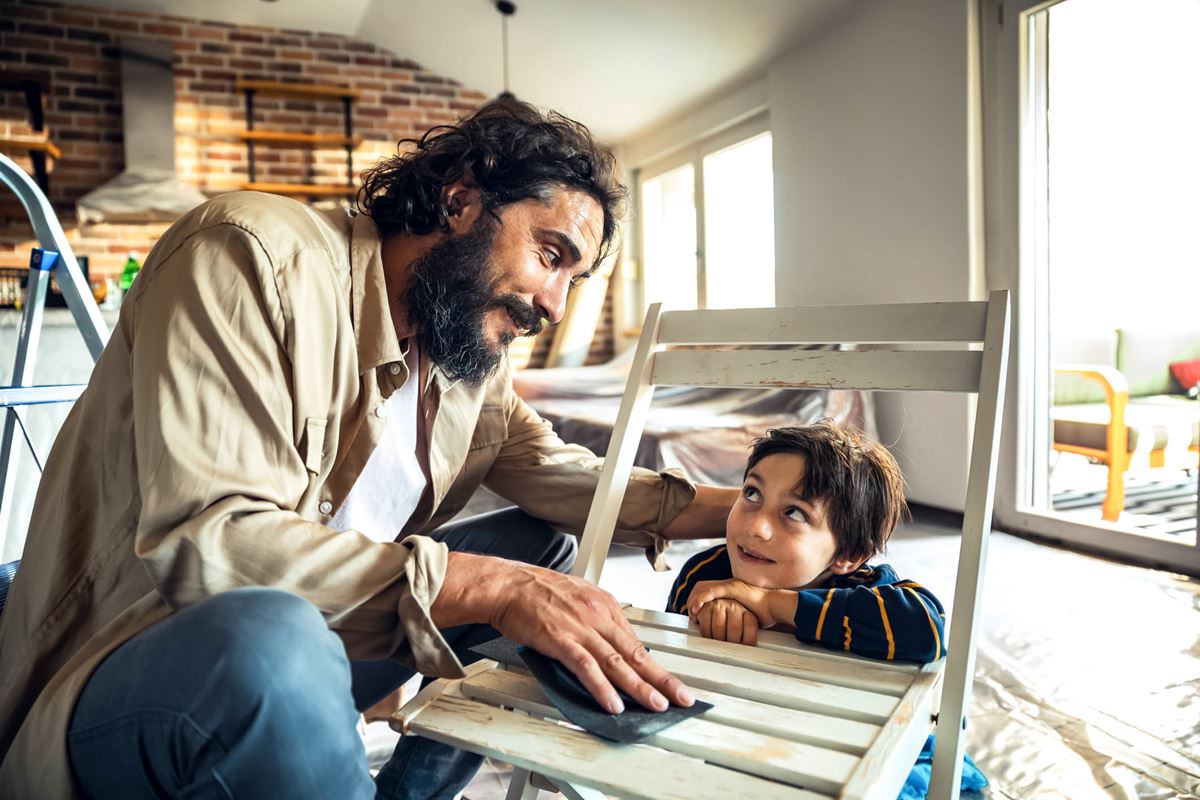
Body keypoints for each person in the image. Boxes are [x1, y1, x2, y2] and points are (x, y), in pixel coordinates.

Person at [0, 101, 741, 799]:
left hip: (313, 653)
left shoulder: (461, 359)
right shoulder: (249, 255)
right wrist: (488, 588)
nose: (554, 304)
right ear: (460, 203)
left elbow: (567, 477)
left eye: (571, 279)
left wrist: (752, 513)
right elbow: (212, 546)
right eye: (551, 255)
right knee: (281, 635)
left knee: (535, 548)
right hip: (139, 670)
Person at [668, 421, 946, 663]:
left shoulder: (865, 590)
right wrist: (703, 616)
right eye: (752, 493)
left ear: (848, 555)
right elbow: (671, 658)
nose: (756, 526)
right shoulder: (705, 573)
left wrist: (771, 603)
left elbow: (927, 631)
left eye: (794, 512)